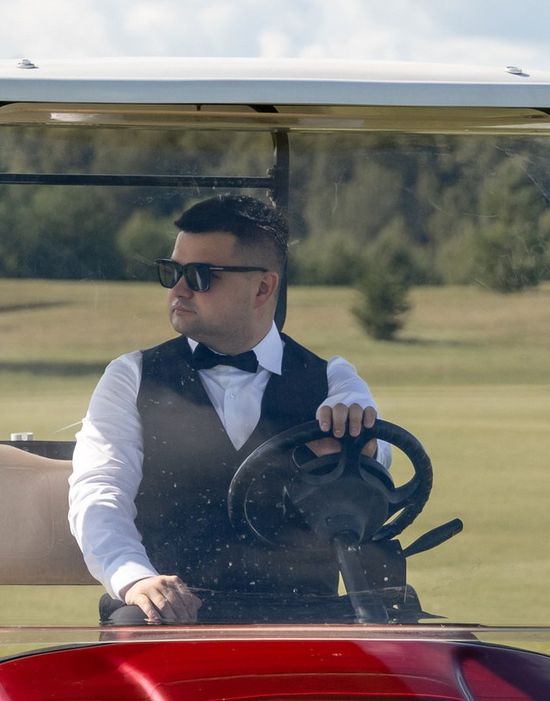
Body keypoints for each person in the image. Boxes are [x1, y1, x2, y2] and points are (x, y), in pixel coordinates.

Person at [67, 193, 382, 626]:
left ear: (263, 287)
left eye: (200, 275)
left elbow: (376, 478)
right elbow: (99, 491)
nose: (178, 289)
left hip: (304, 621)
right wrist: (135, 579)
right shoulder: (131, 377)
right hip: (172, 617)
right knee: (132, 628)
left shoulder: (335, 381)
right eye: (172, 272)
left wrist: (363, 443)